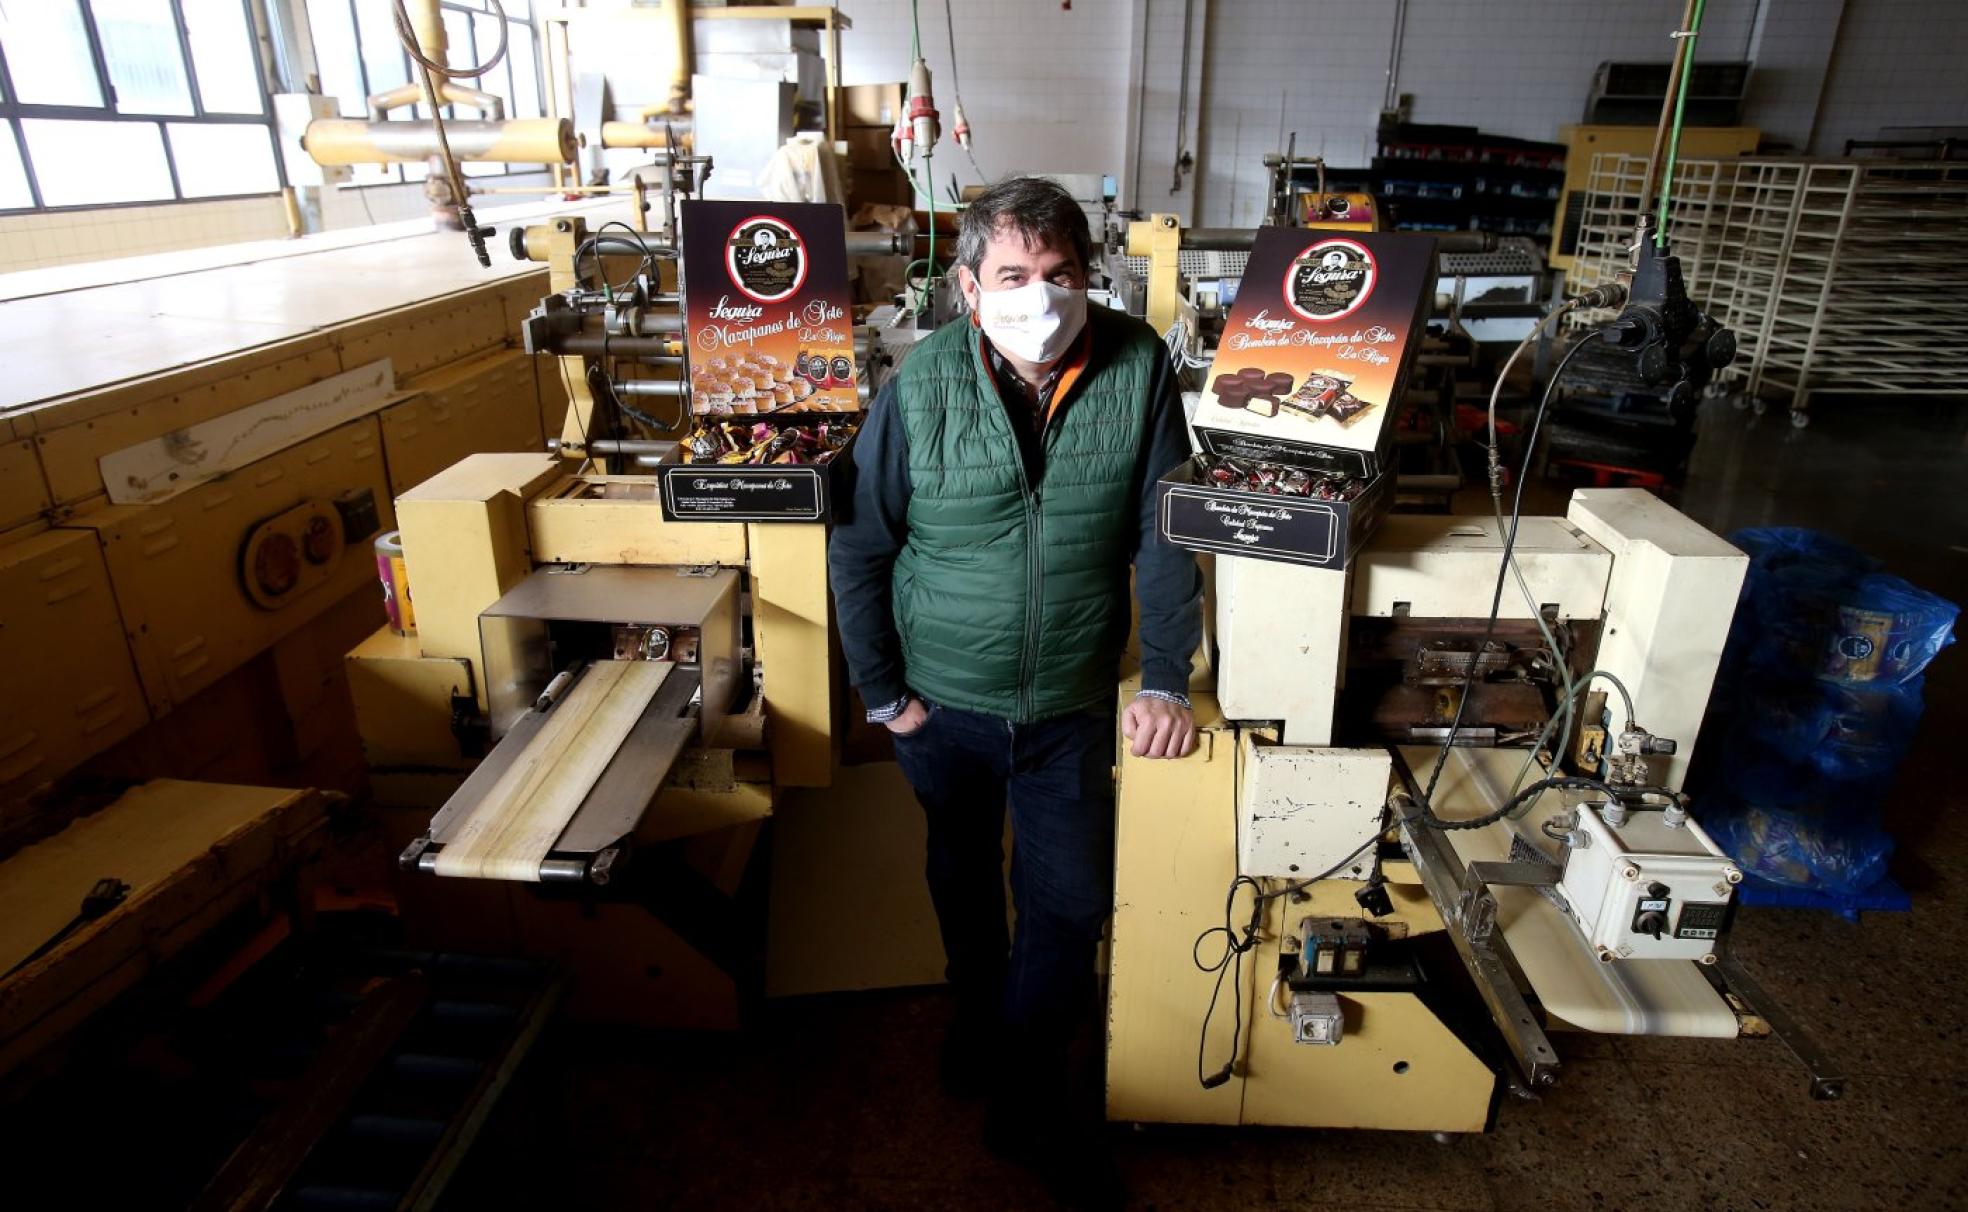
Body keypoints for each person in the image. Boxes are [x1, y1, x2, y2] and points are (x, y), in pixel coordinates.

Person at [828, 176, 1202, 1208]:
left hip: (1072, 703)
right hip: (942, 703)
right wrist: (883, 696)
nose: (1037, 297)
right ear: (967, 284)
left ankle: (1025, 1094)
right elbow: (861, 545)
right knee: (960, 869)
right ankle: (975, 1017)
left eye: (1058, 275)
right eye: (1012, 277)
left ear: (1090, 277)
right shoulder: (920, 383)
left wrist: (1164, 677)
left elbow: (1170, 536)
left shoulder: (1138, 368)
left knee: (1070, 904)